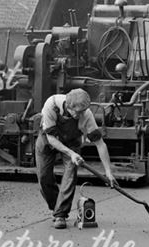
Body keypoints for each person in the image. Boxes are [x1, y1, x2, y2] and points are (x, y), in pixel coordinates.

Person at [36, 88, 117, 229]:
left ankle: (60, 214)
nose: (80, 115)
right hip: (48, 140)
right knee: (43, 177)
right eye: (77, 112)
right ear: (68, 105)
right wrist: (71, 154)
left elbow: (100, 144)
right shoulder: (51, 105)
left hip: (72, 142)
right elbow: (51, 138)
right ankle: (56, 206)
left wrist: (108, 172)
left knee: (70, 175)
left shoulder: (86, 114)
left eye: (82, 112)